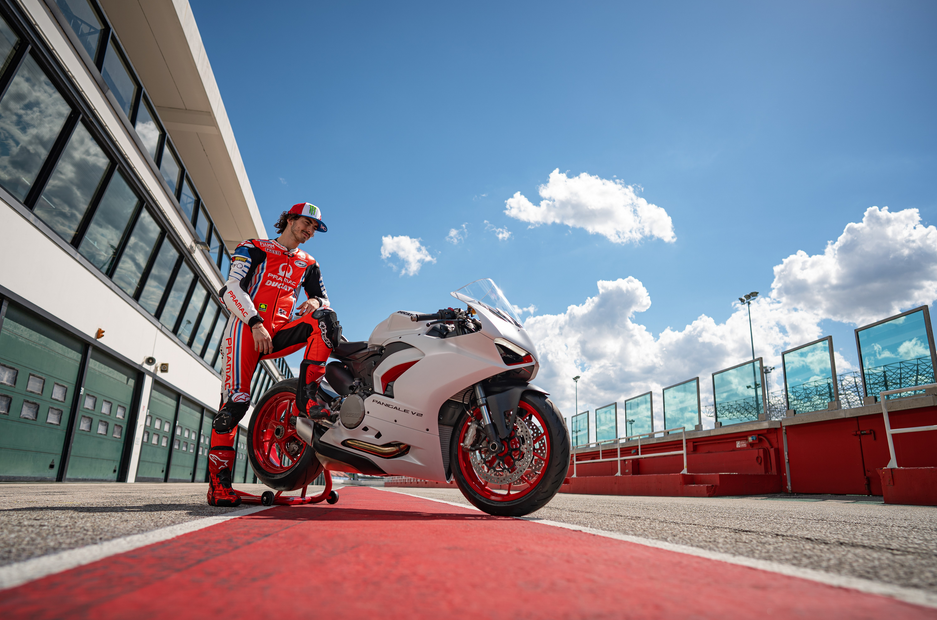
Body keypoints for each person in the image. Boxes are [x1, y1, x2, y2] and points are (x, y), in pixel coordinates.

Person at [207, 202, 341, 507]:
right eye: (306, 224)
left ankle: (307, 399)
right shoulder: (253, 247)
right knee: (235, 406)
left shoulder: (308, 263)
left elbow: (324, 298)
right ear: (290, 219)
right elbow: (230, 289)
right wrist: (255, 322)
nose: (309, 231)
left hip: (280, 333)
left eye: (314, 229)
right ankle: (218, 486)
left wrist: (315, 303)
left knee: (326, 320)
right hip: (246, 330)